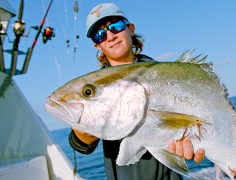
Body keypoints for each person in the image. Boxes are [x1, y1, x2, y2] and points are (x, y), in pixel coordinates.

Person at [68, 3, 205, 180]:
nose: (110, 36)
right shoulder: (94, 88)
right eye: (100, 34)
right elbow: (81, 144)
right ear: (97, 46)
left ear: (130, 29)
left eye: (115, 26)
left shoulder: (163, 74)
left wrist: (194, 139)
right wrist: (84, 127)